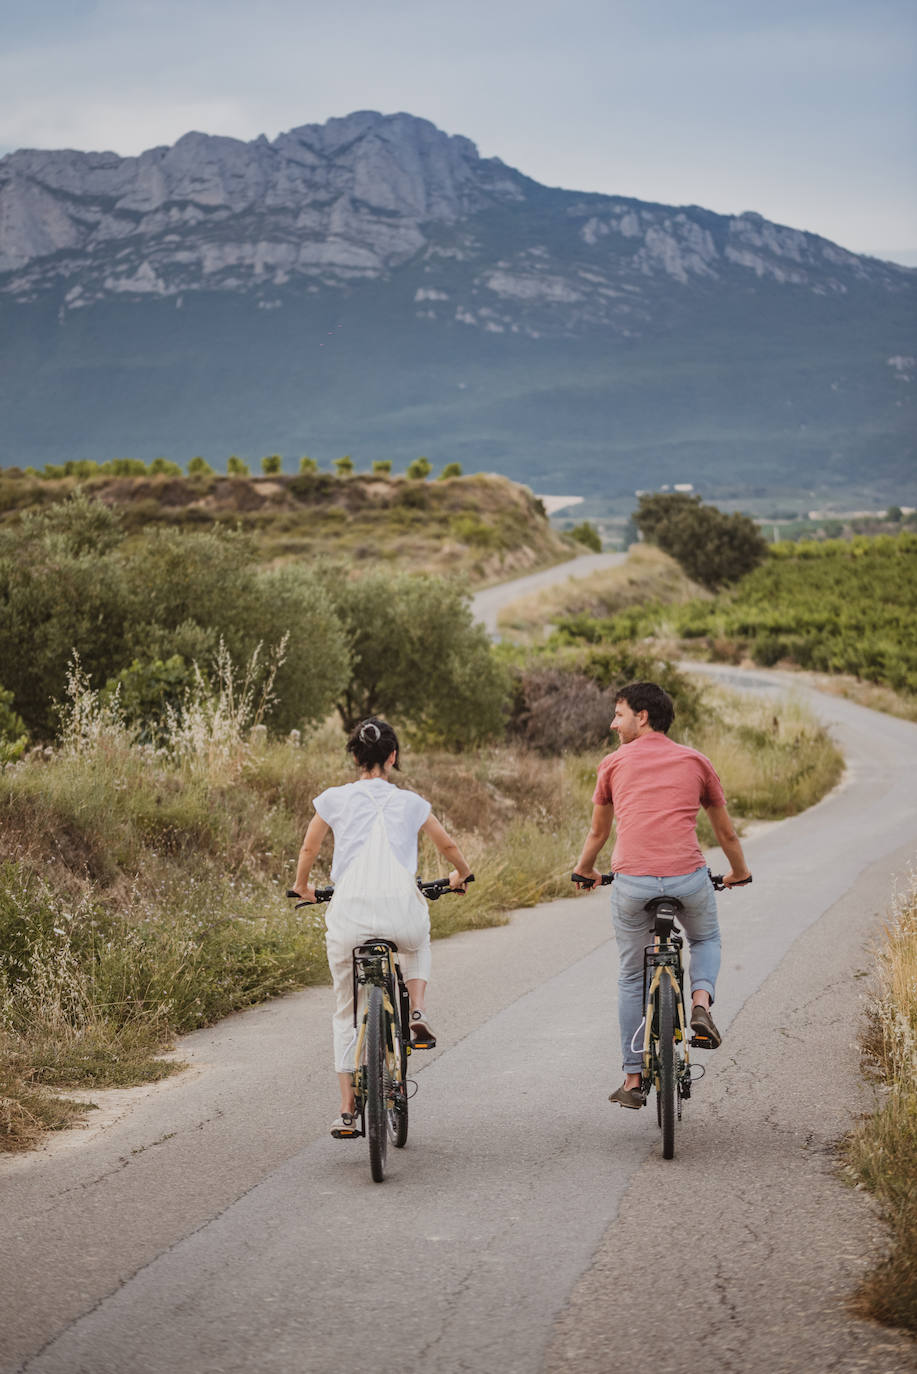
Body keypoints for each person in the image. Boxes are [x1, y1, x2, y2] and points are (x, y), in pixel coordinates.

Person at [573, 681, 751, 1110]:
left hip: (632, 883)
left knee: (633, 976)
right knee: (705, 939)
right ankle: (700, 1002)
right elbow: (724, 831)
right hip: (688, 878)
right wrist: (739, 873)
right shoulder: (696, 761)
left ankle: (633, 1078)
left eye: (619, 714)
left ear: (643, 716)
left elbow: (599, 832)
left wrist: (584, 870)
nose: (613, 723)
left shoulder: (612, 765)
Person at [292, 717, 473, 1137]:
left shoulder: (333, 799)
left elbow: (309, 846)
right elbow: (447, 844)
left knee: (346, 1009)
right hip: (401, 915)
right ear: (392, 757)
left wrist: (303, 886)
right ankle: (417, 1008)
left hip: (349, 917)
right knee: (417, 942)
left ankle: (346, 1110)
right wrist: (460, 873)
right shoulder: (411, 802)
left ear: (355, 757)